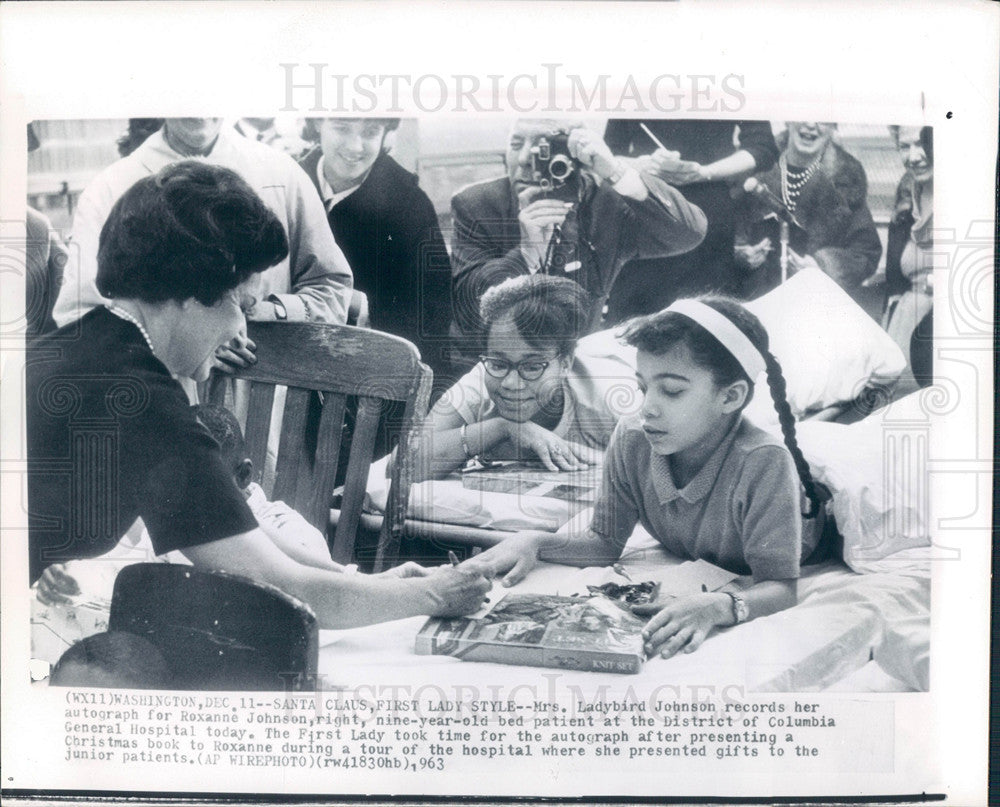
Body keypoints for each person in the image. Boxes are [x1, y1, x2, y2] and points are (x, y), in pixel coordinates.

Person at [27, 161, 490, 629]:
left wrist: (375, 583)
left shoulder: (90, 346)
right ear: (192, 293)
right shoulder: (143, 403)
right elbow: (276, 584)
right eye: (242, 306)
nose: (241, 329)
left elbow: (234, 527)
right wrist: (433, 592)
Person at [468, 296, 831, 659]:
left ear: (731, 397)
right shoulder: (632, 440)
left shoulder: (763, 463)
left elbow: (781, 588)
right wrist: (533, 542)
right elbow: (603, 543)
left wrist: (718, 606)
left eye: (672, 391)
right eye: (644, 388)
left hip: (815, 531)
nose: (648, 408)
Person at [52, 117, 354, 345]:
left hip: (266, 404)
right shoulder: (110, 188)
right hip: (161, 397)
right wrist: (190, 341)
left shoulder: (281, 174)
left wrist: (272, 314)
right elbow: (80, 315)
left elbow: (332, 287)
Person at [448, 119, 707, 371]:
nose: (526, 158)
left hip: (573, 367)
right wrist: (526, 255)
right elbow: (468, 304)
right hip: (493, 366)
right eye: (516, 144)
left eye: (543, 145)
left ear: (576, 153)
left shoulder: (606, 204)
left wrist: (615, 171)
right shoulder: (477, 204)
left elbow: (687, 232)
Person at [419, 275, 637, 478]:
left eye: (533, 367)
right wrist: (503, 427)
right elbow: (402, 465)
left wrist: (607, 464)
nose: (511, 383)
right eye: (498, 363)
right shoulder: (478, 384)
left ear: (565, 364)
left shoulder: (612, 397)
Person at [299, 117, 453, 386]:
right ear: (316, 124)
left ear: (386, 134)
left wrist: (360, 309)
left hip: (368, 376)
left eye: (370, 132)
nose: (355, 147)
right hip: (286, 361)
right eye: (342, 127)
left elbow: (430, 321)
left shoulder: (411, 206)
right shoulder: (287, 182)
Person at [603, 118, 779, 319]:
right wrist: (644, 165)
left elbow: (763, 148)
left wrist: (706, 172)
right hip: (646, 211)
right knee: (633, 323)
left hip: (709, 219)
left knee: (705, 322)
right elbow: (608, 153)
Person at [733, 122, 882, 301]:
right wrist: (739, 254)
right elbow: (724, 235)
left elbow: (866, 253)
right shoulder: (753, 170)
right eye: (804, 113)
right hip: (757, 303)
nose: (811, 124)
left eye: (822, 119)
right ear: (789, 119)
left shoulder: (845, 180)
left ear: (833, 127)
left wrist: (822, 267)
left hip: (815, 306)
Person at [883, 125, 933, 389]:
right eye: (905, 146)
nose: (913, 156)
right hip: (904, 319)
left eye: (921, 143)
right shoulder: (909, 195)